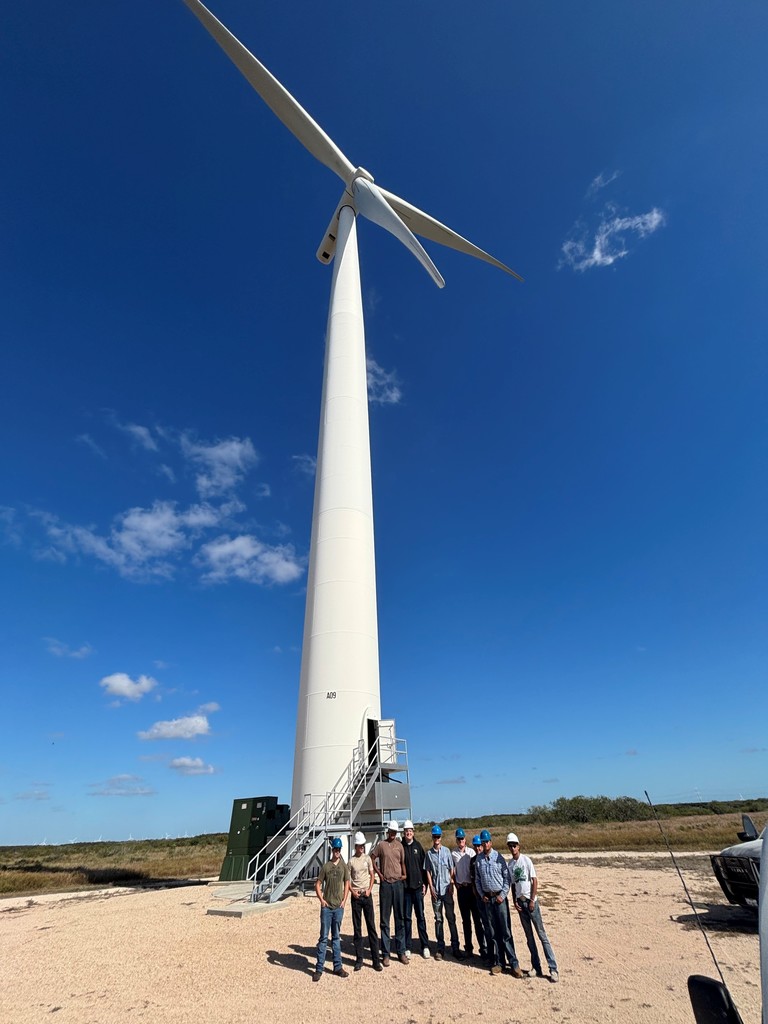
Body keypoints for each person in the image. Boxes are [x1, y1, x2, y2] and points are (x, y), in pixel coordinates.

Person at [506, 832, 559, 982]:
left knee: (542, 935)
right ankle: (536, 966)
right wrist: (515, 900)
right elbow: (513, 884)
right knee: (529, 938)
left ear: (519, 846)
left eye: (514, 845)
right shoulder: (510, 865)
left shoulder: (526, 861)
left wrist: (532, 900)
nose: (512, 848)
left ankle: (553, 968)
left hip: (531, 903)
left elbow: (534, 880)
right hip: (520, 904)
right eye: (510, 846)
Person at [473, 829, 522, 977]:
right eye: (483, 842)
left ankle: (514, 964)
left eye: (487, 841)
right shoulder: (479, 860)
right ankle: (499, 963)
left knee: (505, 932)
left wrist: (502, 895)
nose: (485, 844)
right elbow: (477, 880)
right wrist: (482, 895)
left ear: (491, 842)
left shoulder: (499, 858)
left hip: (499, 899)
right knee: (493, 932)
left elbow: (507, 879)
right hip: (488, 900)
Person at [312, 837, 351, 982]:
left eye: (339, 850)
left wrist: (344, 901)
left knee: (336, 938)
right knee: (323, 938)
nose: (337, 852)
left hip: (338, 907)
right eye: (335, 849)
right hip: (327, 908)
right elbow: (317, 884)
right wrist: (322, 900)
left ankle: (338, 967)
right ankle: (319, 969)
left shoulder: (343, 866)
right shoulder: (326, 867)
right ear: (332, 850)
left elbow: (347, 882)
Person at [371, 820, 408, 966]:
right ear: (388, 831)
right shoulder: (381, 845)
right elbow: (372, 858)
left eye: (395, 832)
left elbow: (402, 862)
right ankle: (385, 954)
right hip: (386, 885)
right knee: (385, 920)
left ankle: (401, 951)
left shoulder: (400, 846)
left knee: (400, 918)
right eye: (391, 832)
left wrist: (404, 875)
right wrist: (379, 875)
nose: (393, 834)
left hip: (398, 884)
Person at [424, 825, 463, 960]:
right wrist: (431, 887)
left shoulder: (447, 852)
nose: (436, 839)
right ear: (432, 838)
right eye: (434, 836)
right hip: (436, 892)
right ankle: (440, 948)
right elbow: (428, 871)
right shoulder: (429, 854)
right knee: (438, 919)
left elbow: (452, 869)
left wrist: (451, 884)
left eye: (438, 836)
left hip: (447, 890)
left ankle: (455, 947)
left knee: (451, 918)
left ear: (441, 837)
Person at [349, 831, 383, 972]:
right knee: (357, 930)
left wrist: (369, 889)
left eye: (363, 845)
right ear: (355, 846)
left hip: (366, 895)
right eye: (359, 845)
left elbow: (371, 873)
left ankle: (375, 960)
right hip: (356, 897)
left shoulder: (368, 858)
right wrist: (352, 891)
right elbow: (347, 879)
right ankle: (359, 959)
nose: (361, 847)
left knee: (371, 928)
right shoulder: (351, 861)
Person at [452, 826, 487, 960]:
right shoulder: (453, 854)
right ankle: (469, 948)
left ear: (465, 839)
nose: (461, 841)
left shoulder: (472, 853)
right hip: (462, 890)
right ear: (457, 840)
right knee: (466, 921)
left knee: (477, 921)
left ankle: (483, 949)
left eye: (462, 838)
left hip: (473, 891)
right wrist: (456, 884)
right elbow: (452, 870)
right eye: (459, 839)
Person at [402, 820, 431, 959]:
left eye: (410, 830)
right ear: (404, 832)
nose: (409, 833)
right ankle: (408, 947)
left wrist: (425, 883)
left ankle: (425, 945)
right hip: (406, 890)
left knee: (421, 918)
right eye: (406, 830)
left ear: (413, 832)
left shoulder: (418, 846)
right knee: (407, 919)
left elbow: (423, 867)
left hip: (418, 888)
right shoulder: (400, 846)